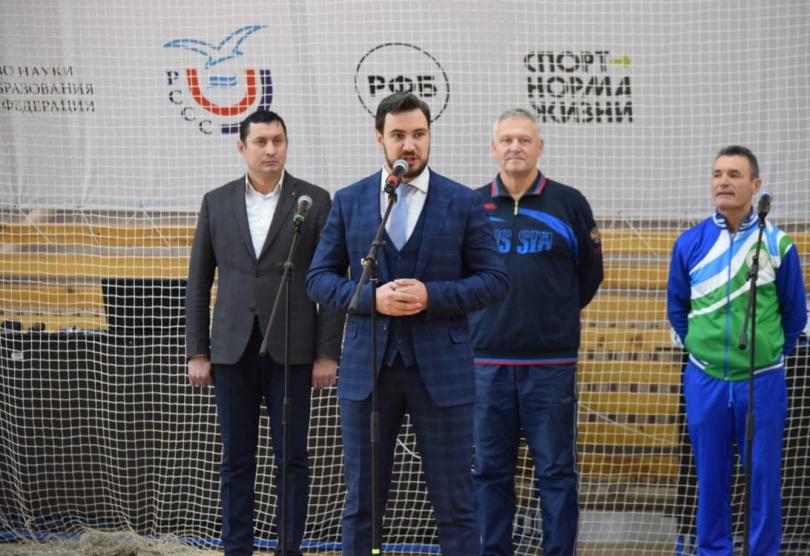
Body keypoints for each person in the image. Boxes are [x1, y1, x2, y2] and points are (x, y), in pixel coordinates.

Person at [306, 92, 508, 555]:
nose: (409, 145)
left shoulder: (462, 202)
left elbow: (494, 280)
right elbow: (318, 279)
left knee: (456, 505)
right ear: (380, 138)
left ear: (430, 136)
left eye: (419, 134)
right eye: (398, 135)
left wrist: (432, 296)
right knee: (362, 504)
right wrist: (369, 298)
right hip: (367, 375)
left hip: (443, 374)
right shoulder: (351, 201)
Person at [185, 110, 344, 556]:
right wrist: (197, 351)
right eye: (261, 142)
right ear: (242, 147)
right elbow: (198, 281)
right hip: (231, 351)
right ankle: (237, 548)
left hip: (293, 351)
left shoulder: (314, 200)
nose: (271, 150)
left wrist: (327, 353)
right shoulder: (216, 202)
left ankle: (288, 549)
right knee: (236, 460)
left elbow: (332, 277)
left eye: (278, 141)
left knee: (292, 459)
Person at [468, 108, 604, 556]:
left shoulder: (569, 204)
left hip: (550, 365)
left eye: (524, 140)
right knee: (489, 472)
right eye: (507, 140)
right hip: (485, 364)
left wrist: (553, 317)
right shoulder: (472, 207)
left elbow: (590, 276)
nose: (515, 147)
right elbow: (459, 279)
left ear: (539, 147)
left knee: (556, 473)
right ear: (493, 148)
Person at [666, 145, 807, 556]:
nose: (723, 182)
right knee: (711, 478)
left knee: (763, 478)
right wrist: (701, 348)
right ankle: (713, 550)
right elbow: (677, 307)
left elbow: (794, 313)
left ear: (755, 184)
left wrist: (769, 353)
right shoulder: (689, 243)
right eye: (717, 174)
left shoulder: (778, 245)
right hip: (704, 379)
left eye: (734, 174)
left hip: (761, 381)